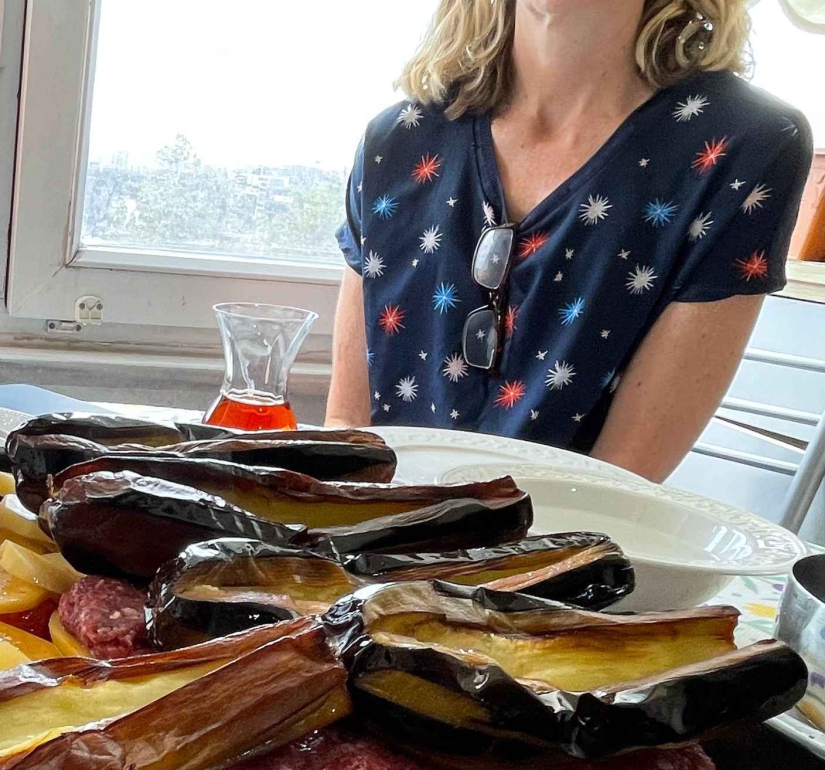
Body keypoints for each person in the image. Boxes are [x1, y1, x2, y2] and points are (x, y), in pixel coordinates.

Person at [324, 0, 812, 481]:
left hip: (572, 548)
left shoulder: (744, 149)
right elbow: (344, 437)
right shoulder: (396, 142)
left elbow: (621, 484)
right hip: (369, 543)